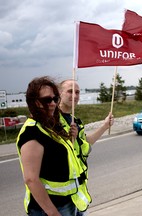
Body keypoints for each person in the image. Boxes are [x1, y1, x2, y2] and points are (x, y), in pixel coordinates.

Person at [16, 76, 91, 215]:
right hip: (50, 209)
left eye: (55, 99)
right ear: (34, 102)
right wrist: (53, 213)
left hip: (68, 202)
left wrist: (72, 138)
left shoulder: (51, 126)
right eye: (46, 100)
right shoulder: (32, 132)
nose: (52, 103)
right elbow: (31, 179)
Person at [58, 79, 114, 216]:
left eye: (77, 92)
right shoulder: (51, 120)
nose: (75, 95)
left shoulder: (74, 121)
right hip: (60, 198)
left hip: (77, 192)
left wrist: (105, 126)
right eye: (70, 91)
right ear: (59, 94)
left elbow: (86, 143)